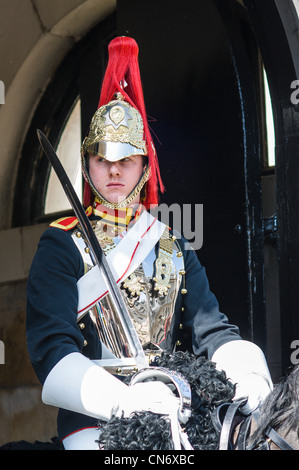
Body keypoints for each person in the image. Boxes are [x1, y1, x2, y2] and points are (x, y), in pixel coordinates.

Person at [26, 36, 272, 450]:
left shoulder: (171, 245)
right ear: (87, 165)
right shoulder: (60, 245)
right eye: (103, 159)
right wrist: (124, 400)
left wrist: (249, 374)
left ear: (144, 165)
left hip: (177, 408)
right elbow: (52, 351)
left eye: (126, 160)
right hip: (97, 419)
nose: (114, 171)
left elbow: (212, 331)